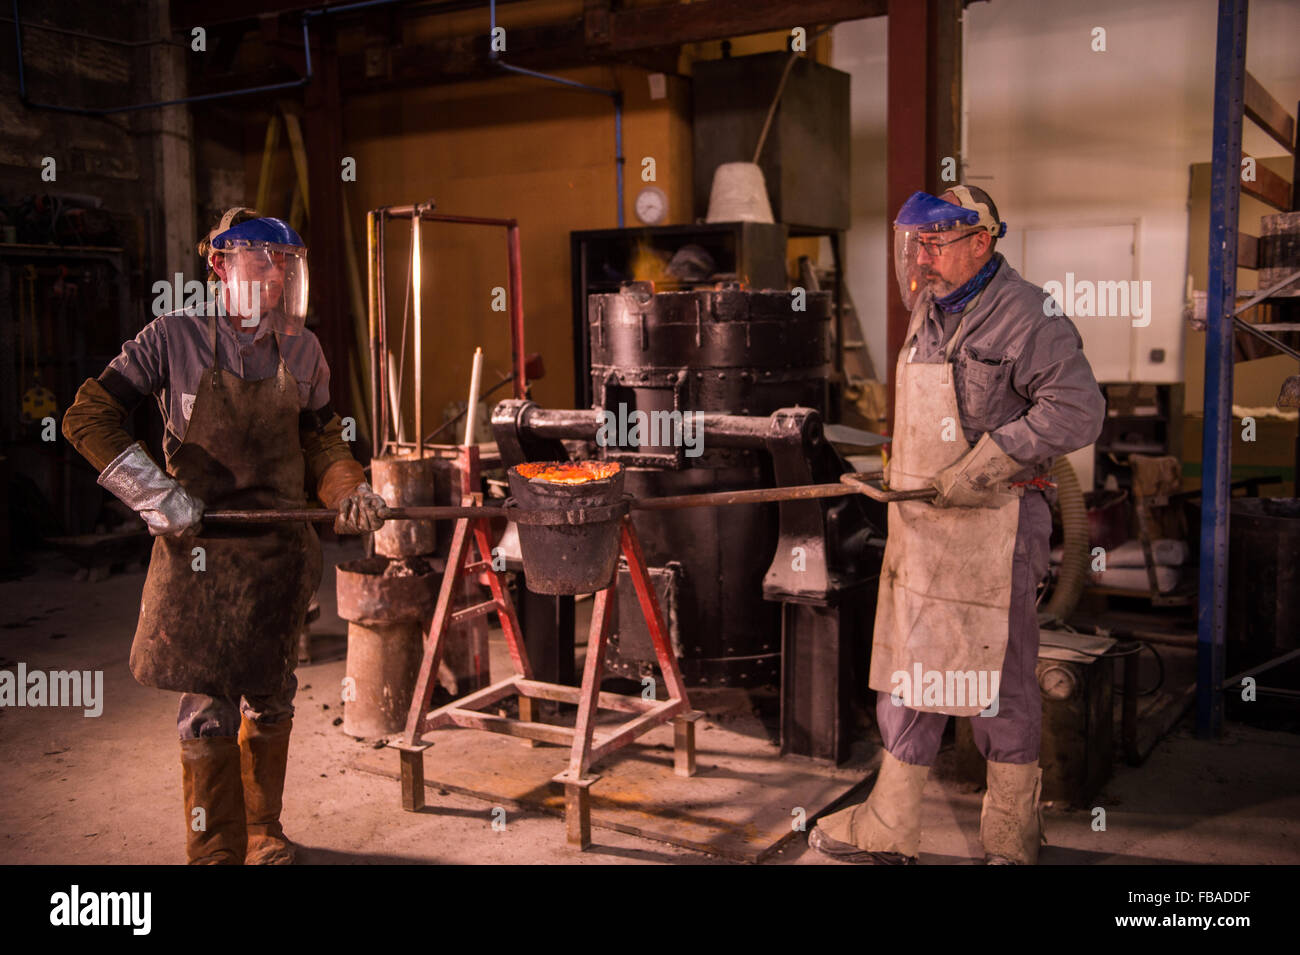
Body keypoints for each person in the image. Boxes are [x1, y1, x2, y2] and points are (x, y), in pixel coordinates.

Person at [62, 207, 387, 864]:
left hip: (277, 557)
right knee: (208, 709)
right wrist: (157, 496)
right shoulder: (172, 338)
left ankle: (264, 832)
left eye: (285, 265)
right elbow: (86, 416)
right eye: (262, 261)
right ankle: (214, 847)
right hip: (199, 559)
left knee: (271, 697)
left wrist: (348, 489)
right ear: (220, 265)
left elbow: (323, 439)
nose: (275, 276)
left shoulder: (303, 349)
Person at [809, 186, 1105, 865]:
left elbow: (1079, 410)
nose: (922, 258)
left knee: (997, 677)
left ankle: (1009, 835)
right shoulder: (929, 308)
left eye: (938, 244)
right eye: (917, 244)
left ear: (983, 241)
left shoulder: (1031, 315)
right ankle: (891, 822)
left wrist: (985, 464)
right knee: (912, 669)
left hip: (996, 526)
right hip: (923, 520)